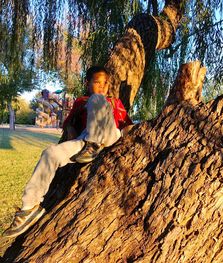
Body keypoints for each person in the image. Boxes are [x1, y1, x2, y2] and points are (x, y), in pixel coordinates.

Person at [3, 66, 132, 238]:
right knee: (50, 153)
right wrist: (72, 130)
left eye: (105, 83)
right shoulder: (81, 101)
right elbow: (69, 126)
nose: (102, 86)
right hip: (84, 141)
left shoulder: (114, 102)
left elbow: (127, 126)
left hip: (109, 134)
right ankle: (29, 208)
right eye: (97, 82)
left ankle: (94, 144)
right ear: (88, 83)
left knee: (97, 100)